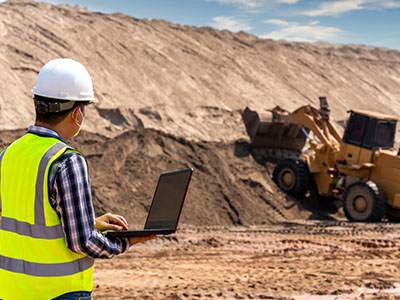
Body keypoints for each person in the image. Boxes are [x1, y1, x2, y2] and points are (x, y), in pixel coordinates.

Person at [0, 58, 155, 300]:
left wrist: (90, 222)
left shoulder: (7, 156)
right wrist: (127, 241)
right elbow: (81, 242)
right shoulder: (66, 161)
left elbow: (29, 223)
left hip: (12, 293)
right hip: (59, 293)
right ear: (77, 113)